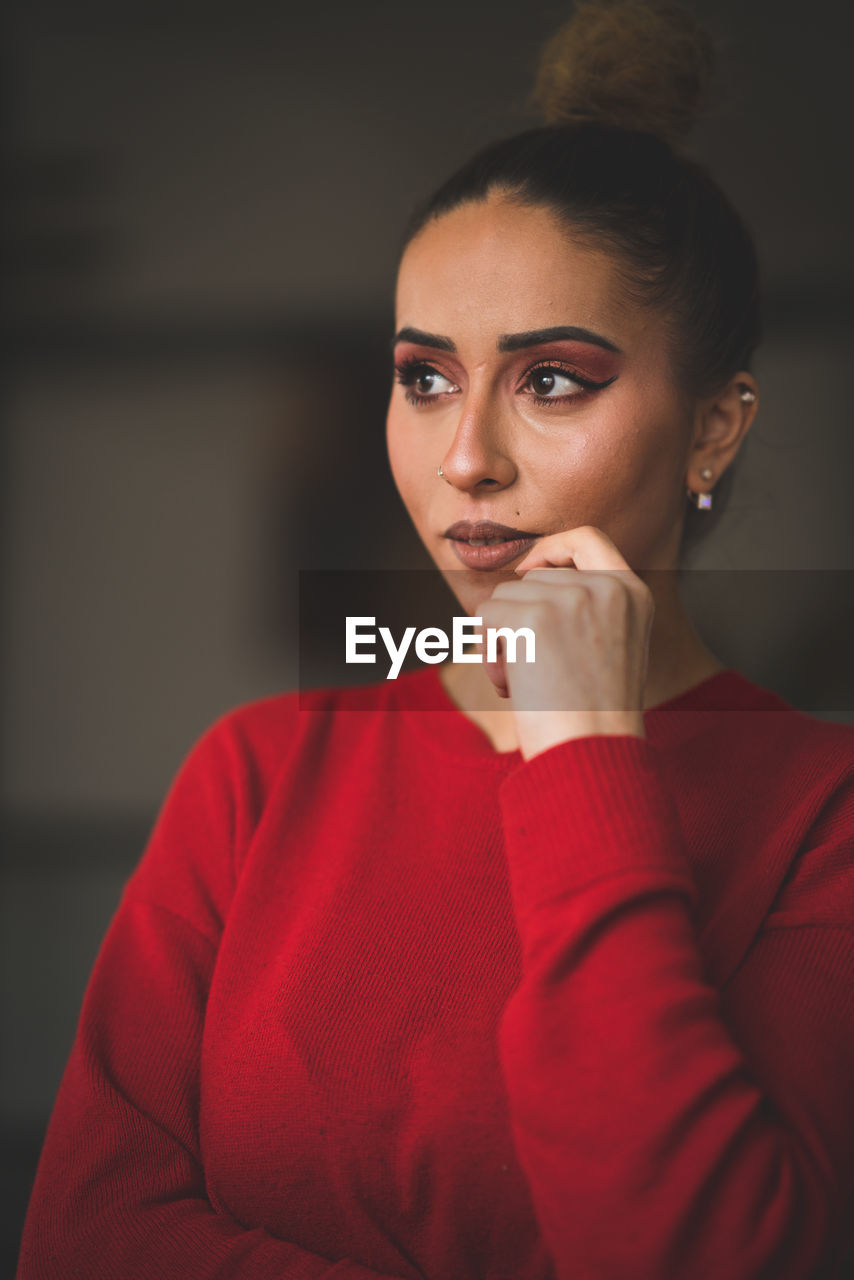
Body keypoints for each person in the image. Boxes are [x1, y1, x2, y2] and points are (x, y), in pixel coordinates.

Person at [17, 2, 854, 1277]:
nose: (465, 457)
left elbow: (693, 1252)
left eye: (551, 379)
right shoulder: (253, 775)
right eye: (424, 378)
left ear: (712, 428)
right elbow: (85, 1235)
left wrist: (583, 753)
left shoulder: (820, 812)